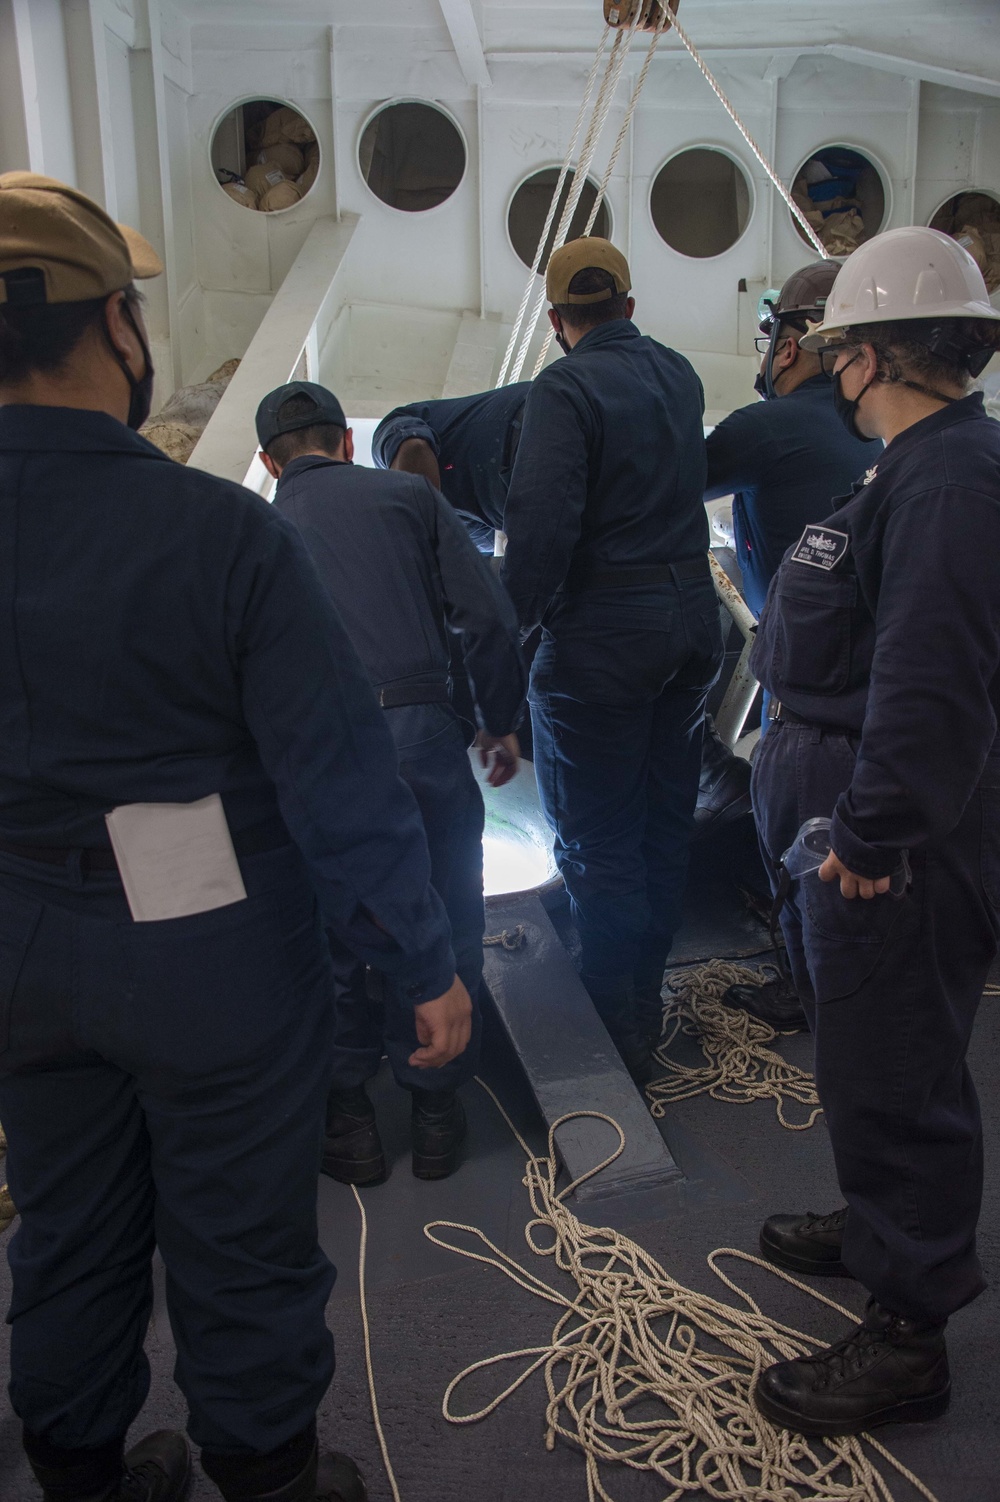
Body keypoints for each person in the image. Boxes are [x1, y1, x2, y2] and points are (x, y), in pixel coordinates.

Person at [0, 173, 473, 1502]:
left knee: (66, 1226)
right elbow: (339, 777)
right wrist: (423, 959)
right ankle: (266, 1474)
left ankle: (81, 1470)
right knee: (241, 1228)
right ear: (118, 328)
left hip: (20, 950)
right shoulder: (223, 534)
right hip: (212, 951)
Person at [747, 225, 1000, 1437]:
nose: (831, 368)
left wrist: (870, 832)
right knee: (867, 1054)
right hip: (843, 814)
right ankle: (877, 1227)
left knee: (899, 1068)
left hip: (885, 843)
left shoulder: (946, 477)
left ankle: (910, 1332)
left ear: (869, 353)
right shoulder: (910, 468)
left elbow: (931, 684)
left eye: (839, 348)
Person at [256, 383, 526, 1186]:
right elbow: (488, 618)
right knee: (446, 910)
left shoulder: (257, 525)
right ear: (344, 442)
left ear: (271, 462)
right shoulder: (410, 497)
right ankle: (438, 1113)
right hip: (424, 742)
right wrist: (497, 720)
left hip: (320, 753)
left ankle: (351, 1121)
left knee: (329, 927)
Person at [500, 236, 724, 1081]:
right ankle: (648, 998)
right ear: (630, 307)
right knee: (665, 822)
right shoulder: (680, 374)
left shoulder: (563, 386)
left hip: (603, 642)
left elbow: (542, 530)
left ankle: (617, 1030)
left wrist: (504, 652)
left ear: (558, 322)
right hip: (690, 629)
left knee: (598, 843)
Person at [705, 260, 881, 620]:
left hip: (799, 648)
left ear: (787, 350)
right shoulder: (870, 429)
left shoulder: (764, 428)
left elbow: (666, 486)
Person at [372, 383, 530, 553]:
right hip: (535, 494)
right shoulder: (461, 539)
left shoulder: (384, 450)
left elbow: (414, 448)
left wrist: (413, 545)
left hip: (528, 426)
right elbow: (505, 538)